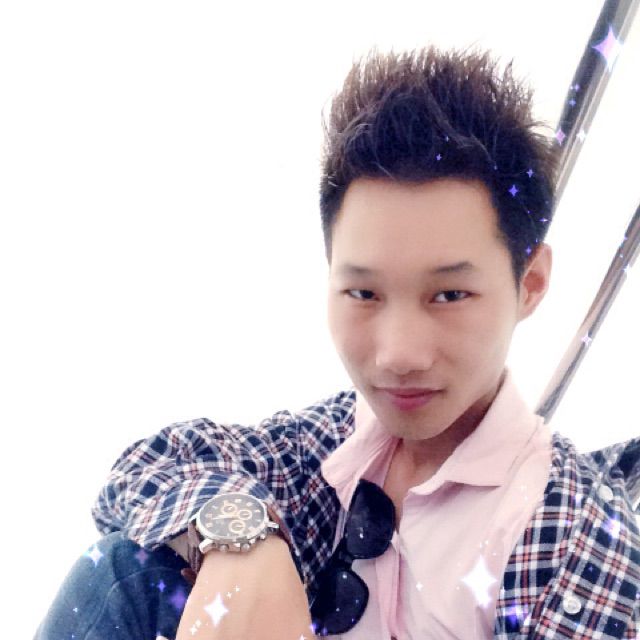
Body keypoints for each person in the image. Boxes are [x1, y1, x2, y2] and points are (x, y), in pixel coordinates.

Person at [35, 44, 640, 640]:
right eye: (364, 294)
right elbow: (146, 468)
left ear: (530, 283)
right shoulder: (329, 448)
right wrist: (241, 540)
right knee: (127, 571)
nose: (399, 354)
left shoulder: (573, 533)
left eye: (449, 295)